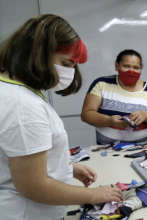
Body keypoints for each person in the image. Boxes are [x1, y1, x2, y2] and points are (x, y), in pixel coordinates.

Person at [0, 14, 121, 220]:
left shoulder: (16, 92)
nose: (71, 72)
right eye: (66, 63)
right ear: (37, 53)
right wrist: (93, 195)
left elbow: (18, 158)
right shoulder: (22, 105)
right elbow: (34, 186)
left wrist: (66, 166)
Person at [81, 49, 147, 144]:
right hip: (107, 147)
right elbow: (87, 114)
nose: (131, 71)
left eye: (136, 67)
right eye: (126, 66)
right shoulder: (102, 84)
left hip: (143, 145)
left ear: (141, 69)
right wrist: (109, 121)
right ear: (117, 66)